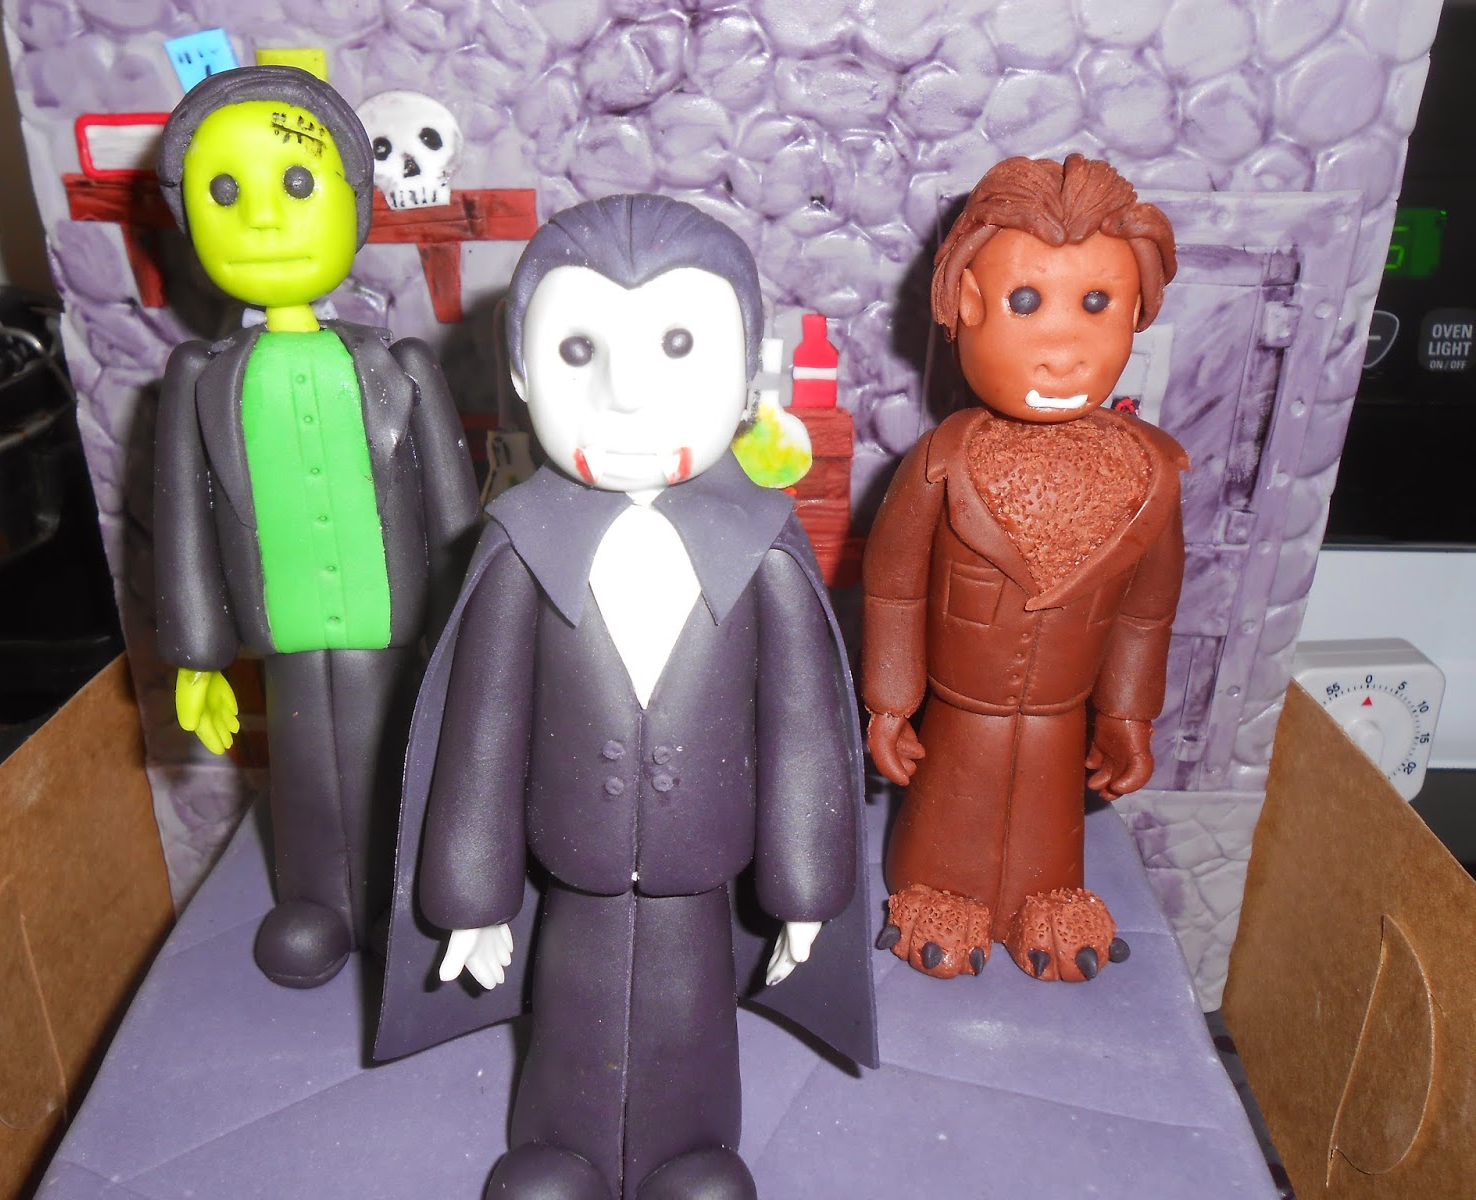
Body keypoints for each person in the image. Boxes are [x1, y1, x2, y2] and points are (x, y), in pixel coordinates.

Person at [377, 194, 876, 1200]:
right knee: (572, 1007)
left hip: (703, 862)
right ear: (522, 373)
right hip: (575, 860)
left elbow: (806, 734)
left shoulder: (763, 546)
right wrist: (471, 898)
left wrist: (806, 892)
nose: (628, 395)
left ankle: (691, 1149)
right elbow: (480, 732)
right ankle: (560, 1144)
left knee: (693, 1013)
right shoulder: (517, 547)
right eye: (579, 352)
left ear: (750, 371)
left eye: (678, 346)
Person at [153, 66, 480, 988]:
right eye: (226, 192)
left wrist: (474, 631)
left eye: (296, 184)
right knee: (300, 772)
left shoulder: (401, 366)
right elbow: (183, 520)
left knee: (398, 760)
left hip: (392, 628)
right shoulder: (199, 380)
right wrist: (197, 655)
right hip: (285, 631)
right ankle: (317, 902)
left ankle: (398, 898)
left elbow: (455, 515)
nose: (262, 217)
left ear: (355, 203)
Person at [863, 154, 1188, 984]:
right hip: (959, 707)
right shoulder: (942, 462)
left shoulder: (1149, 473)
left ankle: (1046, 897)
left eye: (1095, 304)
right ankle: (937, 893)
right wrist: (891, 702)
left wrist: (1128, 716)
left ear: (1135, 312)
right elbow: (893, 589)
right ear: (966, 306)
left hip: (1061, 711)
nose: (1061, 349)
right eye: (1026, 302)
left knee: (1047, 813)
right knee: (953, 801)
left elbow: (1146, 613)